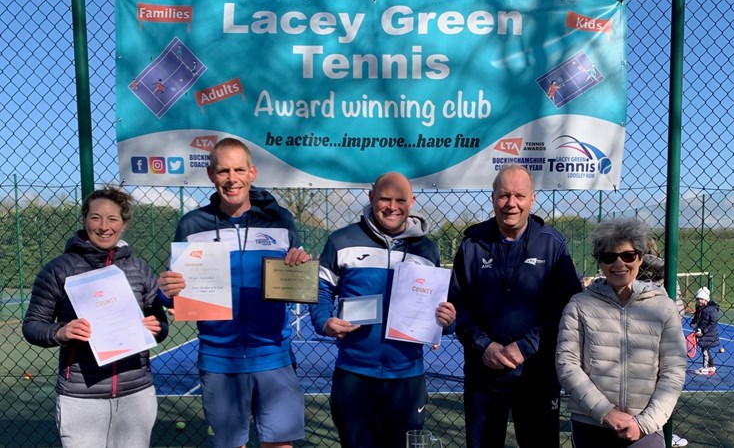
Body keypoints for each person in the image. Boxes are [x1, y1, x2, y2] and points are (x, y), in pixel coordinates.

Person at [157, 137, 309, 448]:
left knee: (279, 445)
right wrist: (166, 291)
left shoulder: (280, 220)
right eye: (223, 170)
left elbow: (296, 279)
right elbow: (174, 290)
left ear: (252, 173)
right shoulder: (192, 224)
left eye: (239, 169)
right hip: (219, 358)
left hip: (273, 355)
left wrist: (299, 266)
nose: (231, 178)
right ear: (211, 174)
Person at [310, 172, 456, 448]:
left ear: (411, 202)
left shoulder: (426, 249)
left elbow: (442, 306)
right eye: (385, 199)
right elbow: (321, 291)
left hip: (407, 378)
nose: (392, 207)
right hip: (354, 375)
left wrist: (446, 322)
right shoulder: (341, 240)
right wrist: (324, 321)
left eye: (400, 200)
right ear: (371, 198)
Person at [22, 186, 169, 448]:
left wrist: (156, 327)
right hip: (81, 396)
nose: (104, 226)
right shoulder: (59, 269)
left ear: (124, 224)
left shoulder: (139, 267)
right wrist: (61, 331)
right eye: (95, 217)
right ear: (84, 220)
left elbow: (159, 322)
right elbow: (32, 326)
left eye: (112, 219)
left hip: (136, 393)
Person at [447, 163, 582, 447]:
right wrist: (484, 345)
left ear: (532, 199)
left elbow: (567, 308)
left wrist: (527, 345)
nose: (511, 204)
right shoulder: (471, 244)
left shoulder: (553, 245)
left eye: (519, 196)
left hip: (537, 375)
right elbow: (456, 305)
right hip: (484, 375)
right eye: (504, 195)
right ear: (493, 197)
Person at [556, 219, 687, 448]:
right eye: (609, 257)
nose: (619, 263)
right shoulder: (579, 305)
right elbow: (567, 364)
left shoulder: (663, 307)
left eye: (628, 256)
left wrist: (645, 423)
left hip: (645, 427)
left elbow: (673, 371)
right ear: (600, 261)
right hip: (591, 422)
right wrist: (606, 412)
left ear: (639, 258)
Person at [636, 237, 689, 447]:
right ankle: (661, 429)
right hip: (660, 338)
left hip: (635, 339)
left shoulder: (626, 270)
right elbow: (678, 309)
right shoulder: (668, 274)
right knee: (663, 388)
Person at [691, 287, 720, 375]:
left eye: (700, 299)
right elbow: (697, 318)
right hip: (703, 333)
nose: (698, 301)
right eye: (697, 299)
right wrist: (694, 323)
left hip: (709, 334)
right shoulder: (700, 308)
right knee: (705, 349)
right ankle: (711, 366)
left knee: (705, 350)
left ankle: (706, 367)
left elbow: (712, 323)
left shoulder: (711, 309)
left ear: (705, 299)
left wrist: (703, 331)